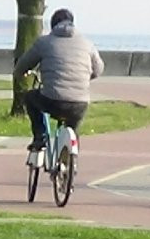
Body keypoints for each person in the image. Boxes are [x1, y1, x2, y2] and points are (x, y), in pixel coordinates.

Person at [14, 8, 104, 151]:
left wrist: (20, 73)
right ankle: (71, 163)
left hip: (52, 100)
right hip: (79, 103)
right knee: (73, 127)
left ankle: (40, 137)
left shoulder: (44, 42)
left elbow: (23, 65)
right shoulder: (87, 43)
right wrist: (85, 78)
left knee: (30, 98)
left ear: (53, 25)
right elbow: (98, 69)